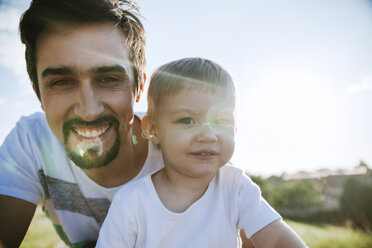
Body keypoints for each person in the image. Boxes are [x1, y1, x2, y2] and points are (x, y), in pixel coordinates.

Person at [96, 57, 307, 247]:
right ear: (152, 129)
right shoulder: (132, 203)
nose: (208, 135)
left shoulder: (234, 187)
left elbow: (278, 239)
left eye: (221, 120)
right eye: (187, 120)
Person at [0, 0, 162, 247]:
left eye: (108, 79)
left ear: (139, 87)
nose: (88, 111)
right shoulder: (31, 142)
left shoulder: (178, 150)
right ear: (39, 95)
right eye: (62, 82)